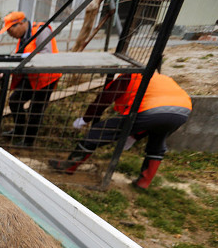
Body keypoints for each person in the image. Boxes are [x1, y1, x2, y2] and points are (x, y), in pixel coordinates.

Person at [48, 71, 192, 189]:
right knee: (157, 142)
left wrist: (86, 118)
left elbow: (105, 99)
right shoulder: (163, 78)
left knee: (97, 133)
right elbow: (157, 116)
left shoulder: (131, 76)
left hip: (150, 111)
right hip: (182, 111)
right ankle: (143, 183)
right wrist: (134, 136)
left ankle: (69, 166)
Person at [0, 11, 62, 147]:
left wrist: (23, 57)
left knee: (36, 109)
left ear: (20, 24)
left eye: (10, 30)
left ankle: (28, 142)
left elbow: (46, 54)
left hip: (46, 77)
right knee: (15, 100)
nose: (10, 35)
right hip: (32, 76)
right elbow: (18, 58)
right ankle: (19, 130)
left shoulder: (41, 31)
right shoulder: (23, 37)